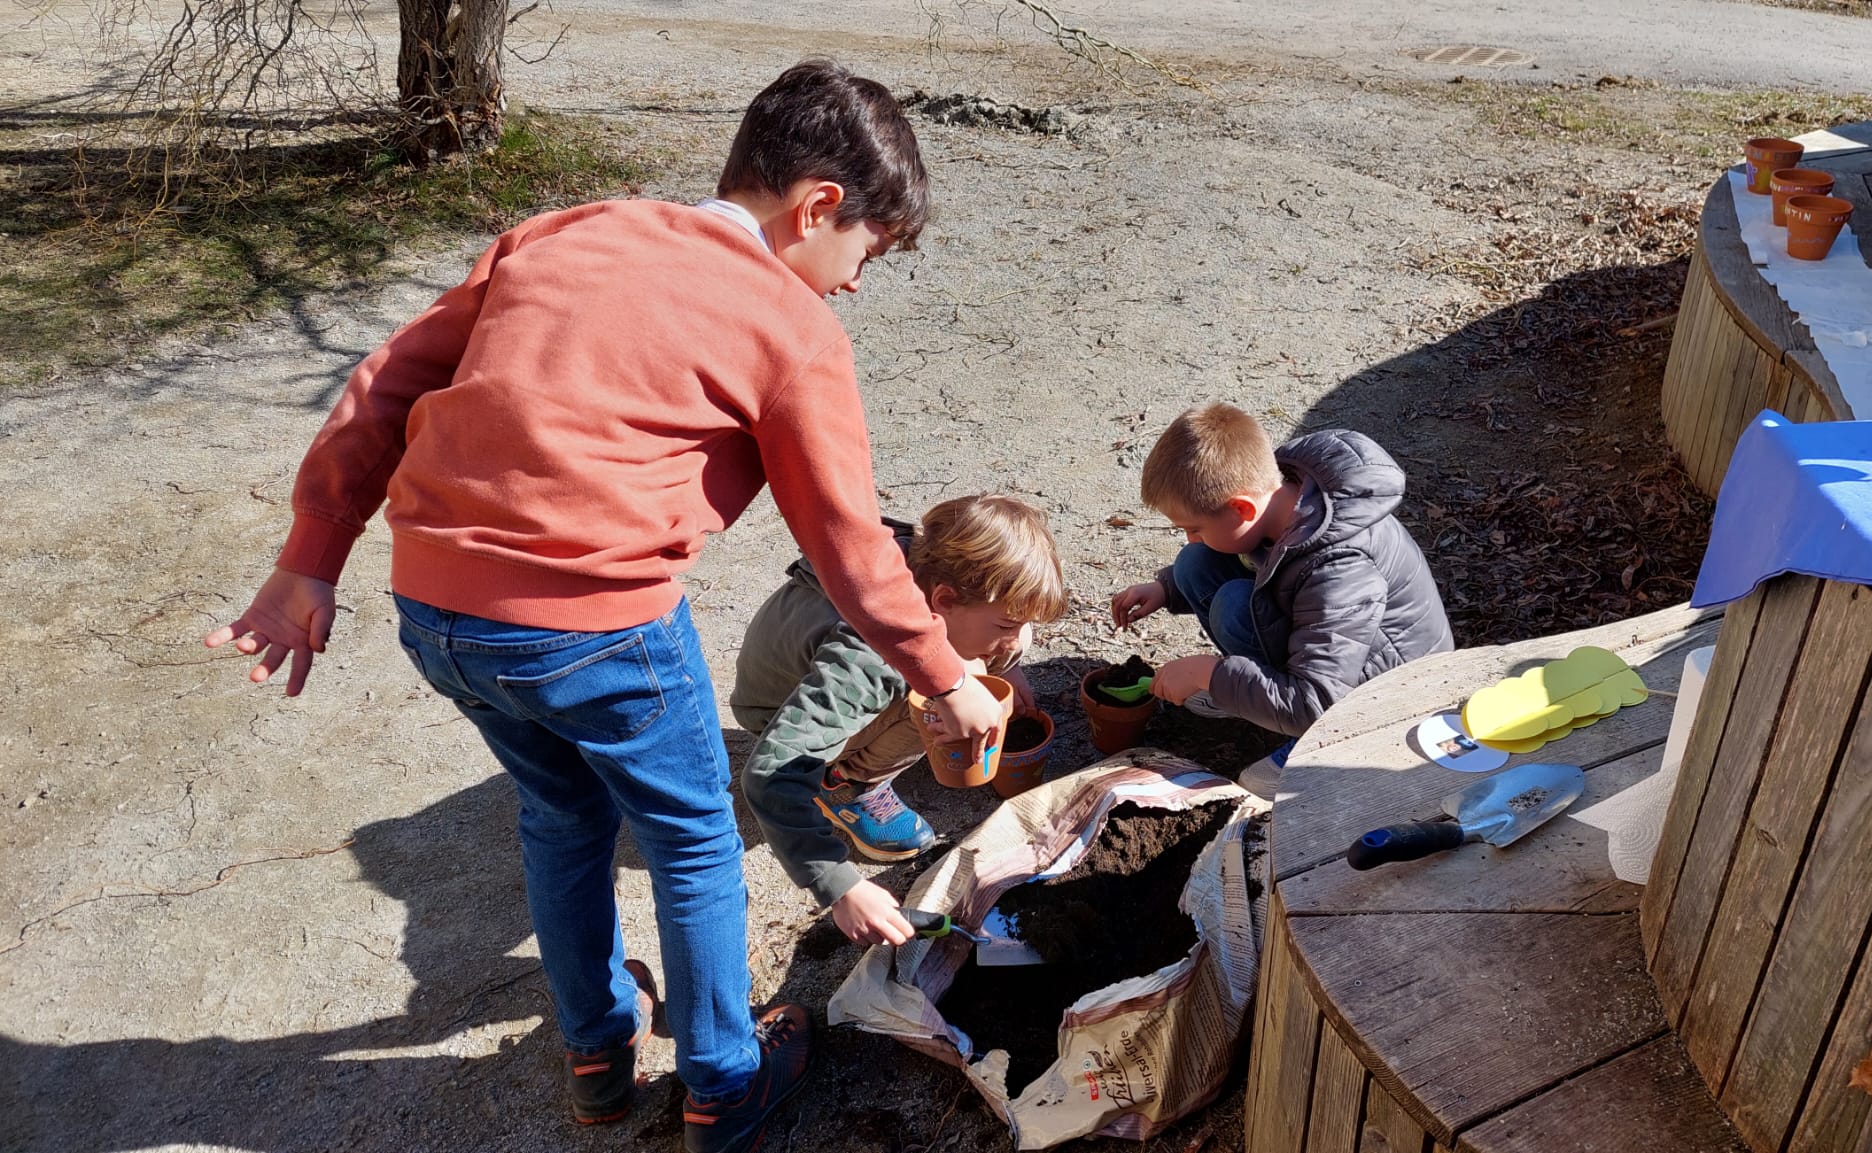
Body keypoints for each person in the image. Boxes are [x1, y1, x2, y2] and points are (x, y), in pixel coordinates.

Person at [200, 60, 1005, 1153]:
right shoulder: (792, 326)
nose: (857, 282)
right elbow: (850, 543)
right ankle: (723, 1083)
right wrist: (943, 676)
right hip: (594, 624)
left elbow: (389, 380)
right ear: (818, 204)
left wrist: (310, 559)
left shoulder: (564, 232)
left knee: (561, 812)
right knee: (693, 839)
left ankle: (597, 1045)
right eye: (868, 249)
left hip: (436, 611)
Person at [731, 494, 1067, 946]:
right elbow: (770, 774)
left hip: (832, 681)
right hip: (782, 715)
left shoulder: (922, 563)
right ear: (943, 600)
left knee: (978, 665)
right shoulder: (873, 656)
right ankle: (845, 783)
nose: (1014, 638)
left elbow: (991, 636)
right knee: (928, 700)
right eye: (1005, 625)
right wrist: (840, 886)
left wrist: (1005, 666)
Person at [1110, 403, 1453, 797]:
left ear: (1242, 508)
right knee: (1195, 563)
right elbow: (1255, 559)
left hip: (1387, 691)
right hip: (1334, 652)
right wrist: (1167, 590)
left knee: (1233, 607)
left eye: (1194, 527)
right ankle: (1254, 694)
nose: (1190, 536)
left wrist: (1210, 674)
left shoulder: (1340, 567)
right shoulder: (1281, 494)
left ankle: (1310, 743)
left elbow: (1319, 698)